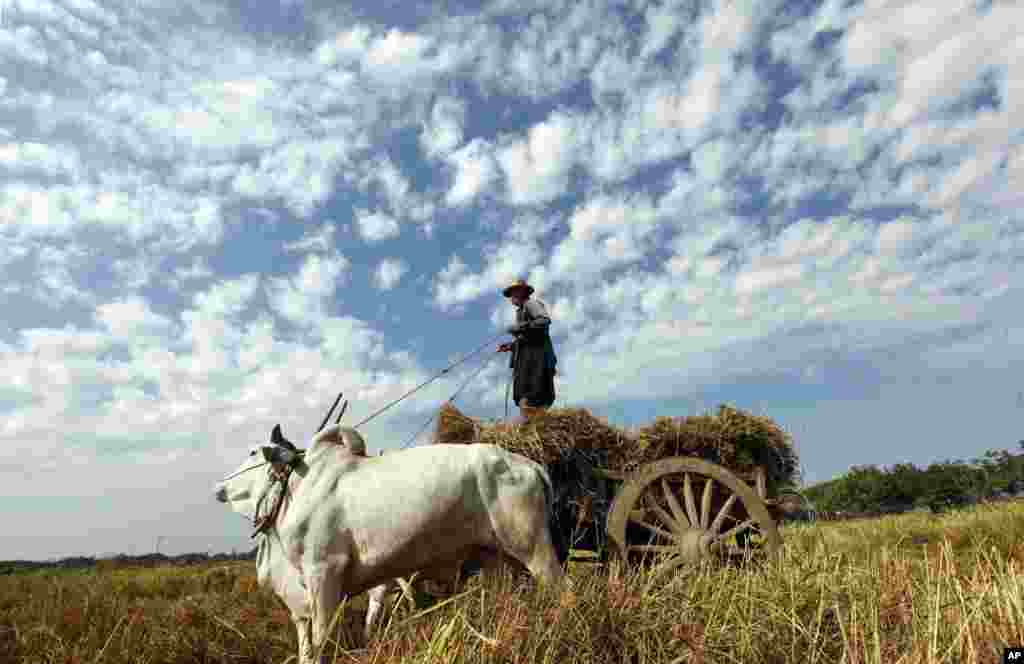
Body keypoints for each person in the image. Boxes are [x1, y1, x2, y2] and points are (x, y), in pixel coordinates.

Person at [496, 279, 558, 420]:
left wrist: (519, 327)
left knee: (531, 396)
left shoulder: (531, 304)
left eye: (514, 293)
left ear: (522, 292)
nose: (511, 297)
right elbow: (527, 337)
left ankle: (535, 424)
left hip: (536, 361)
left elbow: (544, 320)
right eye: (510, 294)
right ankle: (534, 424)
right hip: (527, 362)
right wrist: (511, 346)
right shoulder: (521, 311)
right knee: (525, 398)